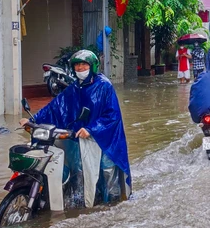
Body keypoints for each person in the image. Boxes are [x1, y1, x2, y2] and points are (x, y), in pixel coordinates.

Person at [20, 49, 131, 208]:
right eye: (77, 65)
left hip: (105, 139)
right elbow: (55, 107)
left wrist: (92, 129)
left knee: (107, 172)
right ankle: (81, 201)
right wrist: (32, 121)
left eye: (83, 65)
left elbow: (112, 115)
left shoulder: (104, 86)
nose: (80, 68)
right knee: (79, 170)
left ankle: (111, 207)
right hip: (81, 138)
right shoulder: (74, 88)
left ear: (92, 66)